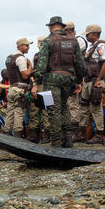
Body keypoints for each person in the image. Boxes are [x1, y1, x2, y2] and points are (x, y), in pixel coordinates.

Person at [33, 16, 88, 147]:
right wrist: (79, 81)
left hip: (52, 78)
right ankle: (68, 138)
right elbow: (81, 65)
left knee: (54, 109)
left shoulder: (48, 40)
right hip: (68, 78)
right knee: (64, 107)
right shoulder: (73, 41)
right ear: (62, 26)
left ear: (50, 27)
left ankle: (56, 140)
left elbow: (41, 65)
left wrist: (37, 82)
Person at [73, 24, 105, 144]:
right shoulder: (92, 47)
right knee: (83, 108)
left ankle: (99, 134)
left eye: (88, 34)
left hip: (95, 81)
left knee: (96, 108)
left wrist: (99, 79)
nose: (86, 36)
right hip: (88, 81)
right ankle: (80, 133)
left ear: (94, 34)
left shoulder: (101, 46)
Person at [2, 38, 34, 138]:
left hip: (12, 88)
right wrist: (30, 66)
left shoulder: (9, 58)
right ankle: (17, 137)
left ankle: (7, 134)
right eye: (26, 45)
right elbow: (25, 75)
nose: (28, 47)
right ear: (20, 46)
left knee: (10, 112)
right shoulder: (21, 58)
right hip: (20, 89)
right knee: (19, 112)